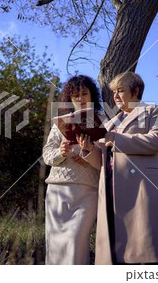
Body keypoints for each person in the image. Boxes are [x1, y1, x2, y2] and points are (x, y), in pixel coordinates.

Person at [77, 71, 158, 265]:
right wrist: (88, 149)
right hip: (110, 187)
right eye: (114, 92)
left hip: (141, 186)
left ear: (135, 91)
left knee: (142, 246)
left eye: (121, 91)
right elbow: (101, 160)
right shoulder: (109, 122)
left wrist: (116, 139)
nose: (116, 96)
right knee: (113, 248)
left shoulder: (155, 111)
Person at [42, 75, 103, 265]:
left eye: (84, 93)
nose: (80, 98)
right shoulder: (61, 122)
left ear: (92, 95)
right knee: (55, 244)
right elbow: (47, 155)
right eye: (75, 95)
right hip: (57, 189)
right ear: (69, 99)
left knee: (76, 241)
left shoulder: (103, 121)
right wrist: (61, 152)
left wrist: (88, 151)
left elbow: (106, 162)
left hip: (87, 189)